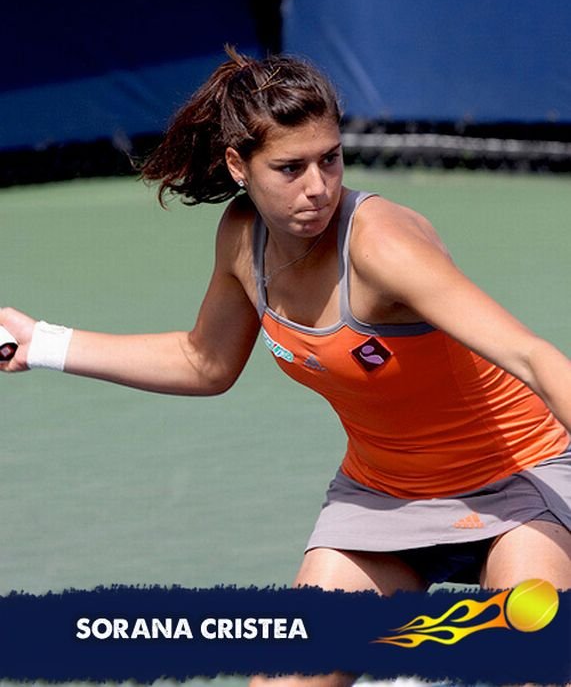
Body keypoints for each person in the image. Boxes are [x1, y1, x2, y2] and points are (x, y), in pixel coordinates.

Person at [1, 46, 570, 686]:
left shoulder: (381, 245)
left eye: (330, 159)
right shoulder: (243, 238)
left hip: (517, 478)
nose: (318, 186)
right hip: (384, 495)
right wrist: (42, 343)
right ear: (238, 166)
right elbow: (205, 360)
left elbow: (533, 356)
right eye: (290, 167)